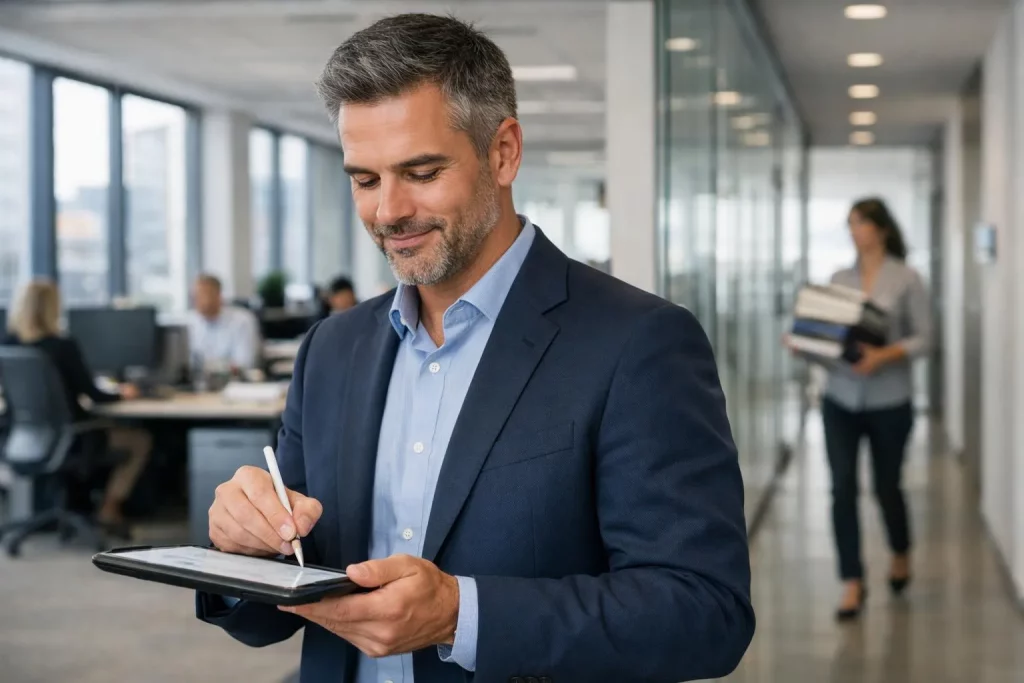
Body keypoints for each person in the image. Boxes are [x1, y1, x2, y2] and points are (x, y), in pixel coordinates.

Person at [198, 13, 753, 683]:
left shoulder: (639, 343)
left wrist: (462, 614)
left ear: (503, 152)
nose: (388, 212)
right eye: (365, 180)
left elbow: (704, 612)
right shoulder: (332, 348)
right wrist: (240, 549)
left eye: (422, 171)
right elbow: (276, 608)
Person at [794, 198, 931, 621]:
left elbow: (926, 338)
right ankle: (851, 581)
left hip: (890, 400)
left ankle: (901, 552)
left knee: (887, 486)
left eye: (860, 223)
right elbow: (829, 347)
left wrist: (884, 355)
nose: (853, 231)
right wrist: (805, 344)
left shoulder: (906, 278)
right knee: (842, 488)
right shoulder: (838, 278)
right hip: (840, 399)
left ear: (881, 229)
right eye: (850, 224)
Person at [4, 280, 152, 528]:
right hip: (73, 437)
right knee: (140, 440)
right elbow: (94, 395)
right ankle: (110, 506)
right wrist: (123, 393)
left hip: (25, 437)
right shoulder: (62, 346)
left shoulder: (7, 346)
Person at [187, 273, 261, 372]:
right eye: (195, 296)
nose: (198, 301)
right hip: (199, 383)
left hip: (233, 383)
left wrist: (209, 367)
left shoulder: (241, 321)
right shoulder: (189, 323)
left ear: (218, 295)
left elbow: (244, 363)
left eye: (203, 295)